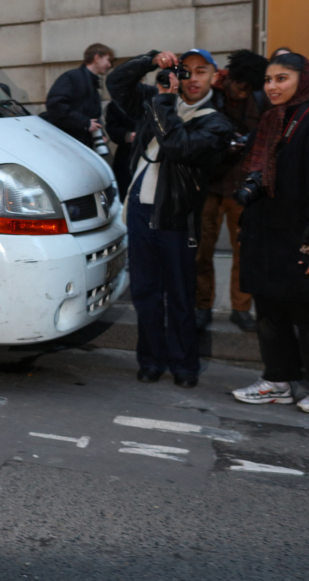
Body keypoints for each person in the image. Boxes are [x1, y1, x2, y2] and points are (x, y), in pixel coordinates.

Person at [107, 49, 234, 388]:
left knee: (179, 295)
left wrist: (164, 102)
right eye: (186, 71)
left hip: (177, 218)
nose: (193, 78)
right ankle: (150, 360)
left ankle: (184, 366)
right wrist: (151, 61)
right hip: (140, 211)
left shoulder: (216, 123)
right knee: (145, 294)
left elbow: (178, 145)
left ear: (214, 77)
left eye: (201, 71)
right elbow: (116, 82)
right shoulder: (157, 98)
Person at [231, 53, 309, 410]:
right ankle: (278, 379)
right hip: (265, 233)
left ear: (302, 80)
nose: (273, 86)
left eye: (282, 79)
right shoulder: (271, 120)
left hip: (298, 235)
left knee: (304, 312)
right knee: (270, 310)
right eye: (269, 79)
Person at [195, 50, 269, 333]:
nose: (244, 92)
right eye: (241, 85)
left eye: (250, 88)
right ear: (232, 78)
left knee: (245, 252)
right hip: (209, 185)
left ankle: (241, 308)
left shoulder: (259, 99)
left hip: (242, 186)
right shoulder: (210, 95)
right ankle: (202, 306)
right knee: (203, 251)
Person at [41, 43, 114, 148]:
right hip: (69, 143)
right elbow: (55, 105)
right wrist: (85, 124)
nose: (109, 65)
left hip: (78, 142)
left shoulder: (87, 80)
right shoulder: (72, 77)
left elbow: (90, 115)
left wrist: (97, 133)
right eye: (108, 60)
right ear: (97, 58)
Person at [104, 100, 136, 200]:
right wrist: (128, 136)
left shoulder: (151, 98)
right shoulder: (116, 104)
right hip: (127, 153)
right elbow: (112, 128)